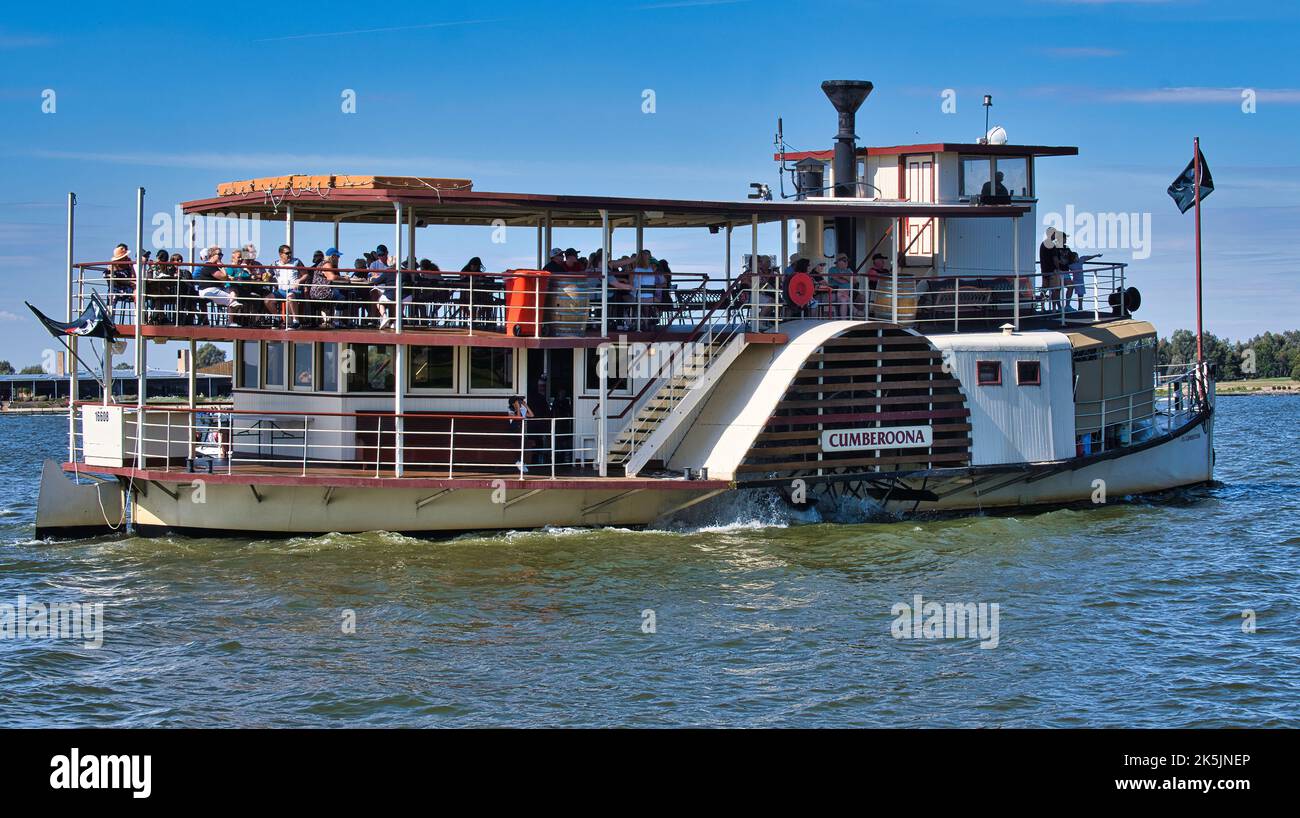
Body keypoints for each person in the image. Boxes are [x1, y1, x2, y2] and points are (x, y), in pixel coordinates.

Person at [264, 244, 306, 329]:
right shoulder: (275, 264)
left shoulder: (296, 262)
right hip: (281, 291)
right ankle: (277, 318)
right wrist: (266, 277)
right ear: (281, 254)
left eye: (290, 253)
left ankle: (296, 321)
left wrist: (299, 280)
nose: (289, 255)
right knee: (267, 300)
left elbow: (305, 275)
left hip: (294, 290)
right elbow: (268, 275)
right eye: (287, 253)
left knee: (290, 296)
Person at [195, 246, 242, 320]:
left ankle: (231, 319)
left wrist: (228, 277)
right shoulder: (209, 266)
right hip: (209, 290)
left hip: (216, 289)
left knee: (233, 289)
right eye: (219, 254)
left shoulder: (214, 266)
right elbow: (223, 276)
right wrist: (221, 265)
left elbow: (223, 277)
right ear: (212, 255)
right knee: (232, 301)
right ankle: (233, 305)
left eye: (221, 255)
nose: (221, 256)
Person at [1040, 227, 1065, 312]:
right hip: (1052, 271)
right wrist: (1058, 268)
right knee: (1055, 290)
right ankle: (1054, 309)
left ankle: (1042, 307)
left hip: (1044, 271)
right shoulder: (1052, 245)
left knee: (1044, 290)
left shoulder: (1043, 244)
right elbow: (1055, 259)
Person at [828, 253, 854, 318]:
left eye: (847, 261)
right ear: (838, 262)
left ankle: (858, 316)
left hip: (849, 292)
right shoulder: (832, 269)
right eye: (844, 261)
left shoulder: (848, 270)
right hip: (835, 293)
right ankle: (853, 313)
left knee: (861, 298)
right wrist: (847, 278)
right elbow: (840, 281)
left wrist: (843, 276)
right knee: (844, 299)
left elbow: (855, 280)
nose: (846, 262)